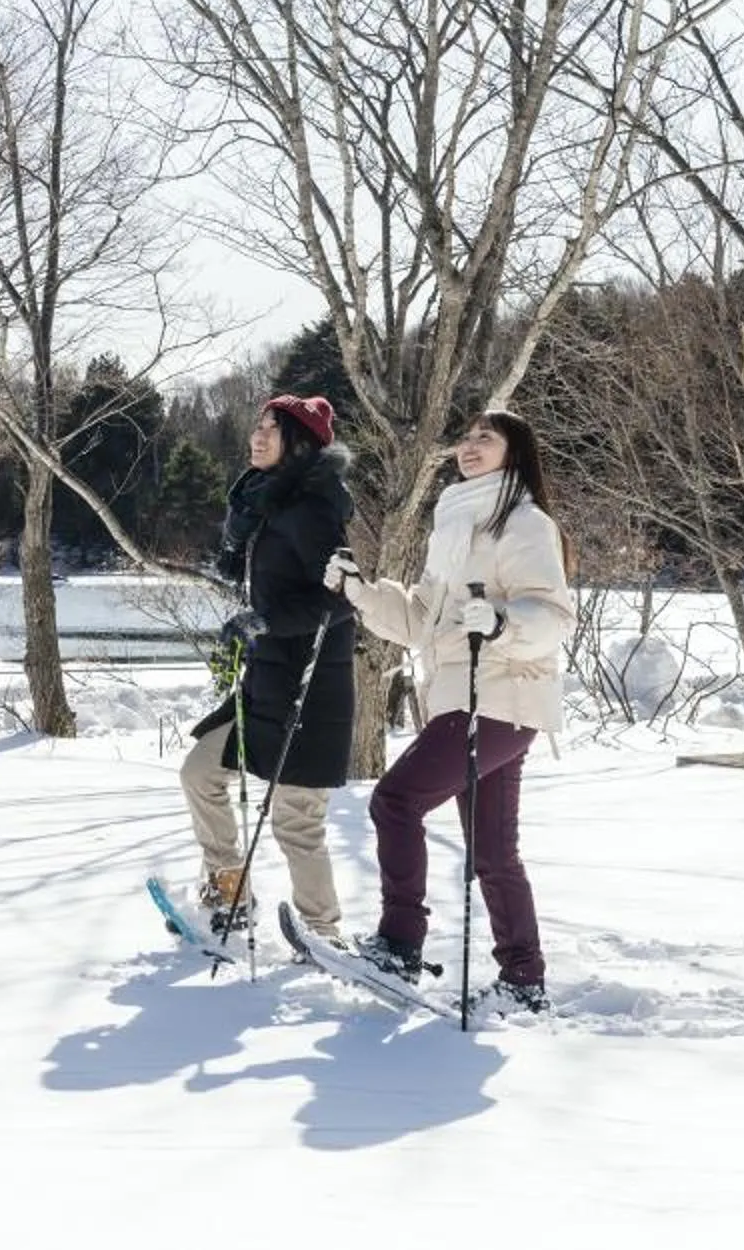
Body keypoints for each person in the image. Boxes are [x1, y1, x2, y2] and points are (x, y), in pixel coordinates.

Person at [331, 408, 576, 1011]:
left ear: (513, 453)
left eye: (485, 439)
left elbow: (553, 616)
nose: (469, 447)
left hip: (499, 698)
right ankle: (523, 982)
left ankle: (399, 945)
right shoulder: (454, 522)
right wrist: (362, 591)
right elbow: (420, 621)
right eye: (466, 438)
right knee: (492, 853)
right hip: (460, 700)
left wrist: (500, 623)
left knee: (395, 800)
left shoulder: (524, 522)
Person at [181, 393, 356, 941]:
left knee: (296, 823)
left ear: (299, 445)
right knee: (202, 773)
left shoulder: (312, 509)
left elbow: (344, 598)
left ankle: (324, 936)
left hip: (310, 688)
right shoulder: (271, 504)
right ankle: (229, 891)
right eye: (257, 426)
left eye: (271, 431)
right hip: (265, 683)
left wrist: (266, 620)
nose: (257, 437)